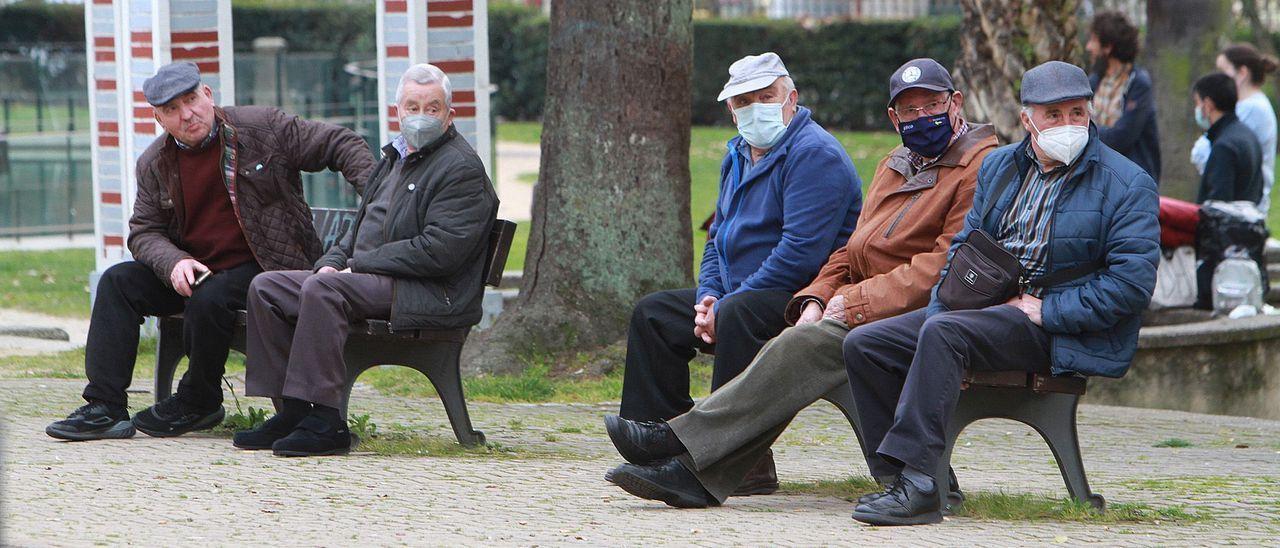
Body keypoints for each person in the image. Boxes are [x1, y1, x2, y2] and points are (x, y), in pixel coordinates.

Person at [601, 59, 998, 509]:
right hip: (850, 301)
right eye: (909, 110)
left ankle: (679, 445)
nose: (921, 117)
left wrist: (849, 299)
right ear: (894, 117)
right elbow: (850, 248)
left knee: (785, 340)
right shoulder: (897, 162)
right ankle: (687, 460)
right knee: (666, 313)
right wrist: (816, 297)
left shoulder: (978, 167)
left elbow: (944, 265)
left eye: (933, 105)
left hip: (911, 310)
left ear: (956, 103)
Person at [843, 61, 1158, 526]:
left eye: (1077, 112)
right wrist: (937, 310)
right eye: (1053, 114)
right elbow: (963, 254)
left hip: (1059, 328)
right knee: (866, 344)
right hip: (986, 313)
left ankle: (920, 490)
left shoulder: (1127, 183)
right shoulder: (1000, 168)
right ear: (1027, 117)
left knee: (945, 334)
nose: (1067, 124)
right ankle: (909, 477)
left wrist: (1046, 310)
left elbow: (1130, 287)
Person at [45, 62, 374, 441]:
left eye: (191, 100)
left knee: (211, 297)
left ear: (208, 96)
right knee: (118, 282)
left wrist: (378, 202)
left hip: (267, 264)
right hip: (196, 269)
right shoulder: (154, 163)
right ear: (158, 118)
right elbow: (144, 231)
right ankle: (104, 406)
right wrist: (174, 262)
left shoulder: (263, 128)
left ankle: (199, 400)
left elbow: (342, 143)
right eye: (172, 110)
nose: (187, 114)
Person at [617, 52, 862, 489]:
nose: (754, 109)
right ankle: (659, 446)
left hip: (802, 297)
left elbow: (800, 254)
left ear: (791, 99)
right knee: (654, 314)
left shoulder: (815, 154)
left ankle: (732, 462)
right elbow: (717, 238)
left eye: (765, 97)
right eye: (743, 101)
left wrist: (725, 304)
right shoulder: (737, 154)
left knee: (740, 314)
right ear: (730, 109)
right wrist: (706, 296)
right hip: (739, 291)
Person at [233, 63, 498, 457]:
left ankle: (326, 422)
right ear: (398, 111)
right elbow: (358, 229)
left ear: (449, 115)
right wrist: (332, 260)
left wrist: (359, 265)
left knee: (325, 289)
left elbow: (439, 251)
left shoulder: (460, 168)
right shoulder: (394, 159)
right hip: (378, 278)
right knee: (267, 287)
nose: (421, 116)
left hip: (428, 290)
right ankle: (291, 411)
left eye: (432, 108)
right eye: (413, 106)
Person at [1193, 44, 1278, 212]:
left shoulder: (1251, 109)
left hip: (1242, 206)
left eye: (1223, 70)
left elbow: (1202, 153)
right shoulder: (1249, 108)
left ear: (1242, 73)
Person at [1086, 9, 1161, 183]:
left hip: (1131, 183)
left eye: (1093, 40)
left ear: (1108, 47)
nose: (1088, 47)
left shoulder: (1138, 83)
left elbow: (1122, 137)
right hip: (1098, 179)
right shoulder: (1094, 82)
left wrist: (1086, 134)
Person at [1193, 72, 1265, 205]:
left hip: (1230, 224)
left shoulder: (1224, 147)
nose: (1197, 109)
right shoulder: (1248, 135)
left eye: (1197, 103)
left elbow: (1218, 206)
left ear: (1208, 105)